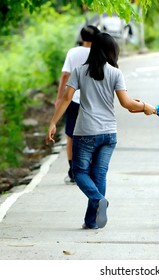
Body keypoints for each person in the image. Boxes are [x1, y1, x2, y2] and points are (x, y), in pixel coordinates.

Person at [47, 32, 156, 229]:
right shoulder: (115, 73)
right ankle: (91, 221)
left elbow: (66, 99)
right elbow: (127, 104)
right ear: (112, 51)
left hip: (86, 131)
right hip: (108, 133)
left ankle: (97, 200)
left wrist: (53, 122)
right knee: (99, 175)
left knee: (79, 172)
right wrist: (146, 107)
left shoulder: (80, 71)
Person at [55, 25, 100, 184]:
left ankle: (73, 171)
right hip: (93, 100)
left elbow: (65, 75)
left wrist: (59, 97)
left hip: (73, 99)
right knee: (92, 135)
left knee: (71, 136)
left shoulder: (73, 52)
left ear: (82, 38)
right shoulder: (99, 53)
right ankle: (90, 169)